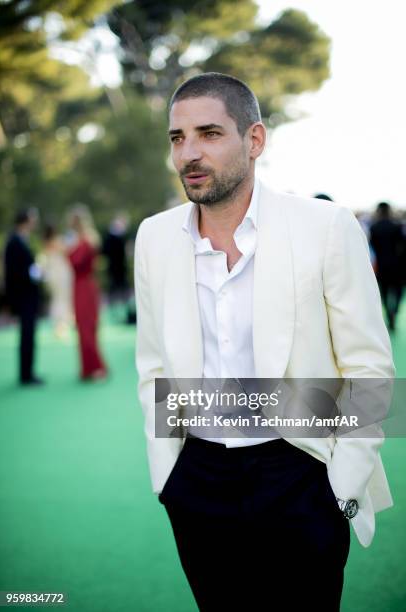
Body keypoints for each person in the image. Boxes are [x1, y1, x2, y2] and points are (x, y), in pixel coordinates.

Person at [134, 73, 395, 611]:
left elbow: (368, 368)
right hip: (197, 478)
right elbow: (155, 367)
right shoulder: (154, 237)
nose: (190, 153)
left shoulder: (325, 226)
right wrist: (169, 478)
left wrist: (340, 488)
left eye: (208, 133)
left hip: (300, 470)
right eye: (178, 138)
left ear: (254, 141)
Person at [67, 205, 108, 381]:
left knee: (87, 326)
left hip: (85, 286)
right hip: (79, 286)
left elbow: (77, 262)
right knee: (82, 326)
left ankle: (96, 367)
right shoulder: (80, 240)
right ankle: (87, 367)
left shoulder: (86, 241)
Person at [4, 208, 45, 385]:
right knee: (26, 334)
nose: (35, 222)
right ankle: (26, 375)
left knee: (29, 334)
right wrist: (33, 274)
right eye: (33, 218)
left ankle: (28, 372)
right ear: (26, 220)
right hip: (23, 297)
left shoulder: (22, 240)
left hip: (28, 296)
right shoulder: (14, 242)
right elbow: (13, 272)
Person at [369, 201, 405, 331]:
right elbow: (402, 247)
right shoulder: (397, 226)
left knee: (383, 293)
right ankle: (394, 311)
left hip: (381, 266)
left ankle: (389, 315)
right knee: (398, 292)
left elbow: (372, 248)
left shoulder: (374, 228)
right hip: (397, 266)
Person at [39, 224, 73, 339]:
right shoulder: (58, 241)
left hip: (53, 274)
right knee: (62, 299)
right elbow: (67, 253)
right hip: (60, 274)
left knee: (57, 299)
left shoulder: (46, 242)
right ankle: (61, 326)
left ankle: (60, 325)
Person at [102, 212, 131, 323]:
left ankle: (122, 313)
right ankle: (115, 313)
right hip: (115, 268)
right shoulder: (114, 237)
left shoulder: (117, 236)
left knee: (120, 292)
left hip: (118, 268)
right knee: (116, 291)